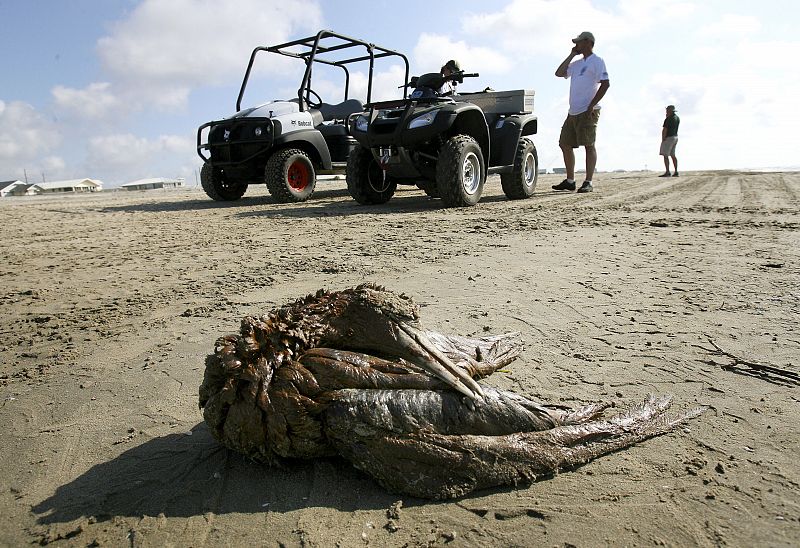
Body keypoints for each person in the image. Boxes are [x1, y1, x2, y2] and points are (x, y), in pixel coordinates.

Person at [552, 31, 610, 193]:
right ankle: (570, 181)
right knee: (564, 143)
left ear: (588, 42)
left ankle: (588, 181)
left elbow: (605, 84)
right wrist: (571, 55)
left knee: (589, 145)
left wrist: (592, 104)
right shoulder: (576, 64)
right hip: (573, 111)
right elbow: (558, 73)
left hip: (588, 110)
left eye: (578, 42)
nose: (576, 45)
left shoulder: (597, 61)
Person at [659, 105, 680, 177]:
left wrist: (663, 139)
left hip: (669, 138)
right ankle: (676, 171)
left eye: (667, 110)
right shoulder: (677, 118)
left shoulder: (668, 119)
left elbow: (665, 129)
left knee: (665, 155)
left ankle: (667, 172)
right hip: (675, 137)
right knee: (673, 155)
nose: (666, 111)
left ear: (669, 111)